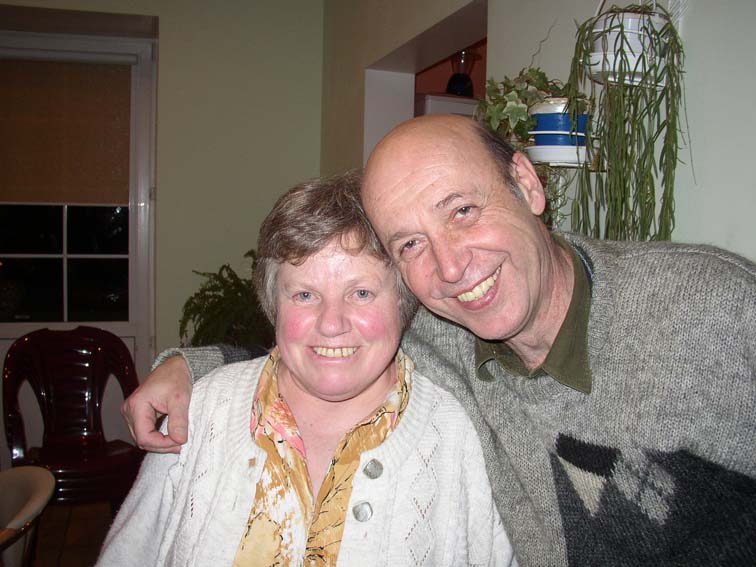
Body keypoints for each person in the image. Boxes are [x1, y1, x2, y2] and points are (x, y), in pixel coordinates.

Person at [124, 115, 756, 567]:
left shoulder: (708, 308)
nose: (451, 267)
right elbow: (327, 346)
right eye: (411, 243)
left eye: (462, 211)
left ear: (527, 185)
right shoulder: (442, 332)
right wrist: (191, 368)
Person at [98, 170, 514, 567]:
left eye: (362, 293)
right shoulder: (201, 410)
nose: (331, 324)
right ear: (272, 304)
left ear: (404, 304)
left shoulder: (459, 436)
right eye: (304, 295)